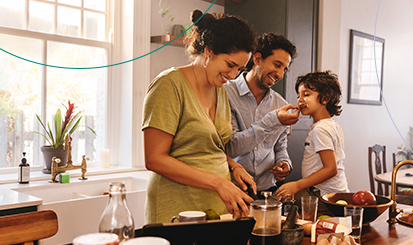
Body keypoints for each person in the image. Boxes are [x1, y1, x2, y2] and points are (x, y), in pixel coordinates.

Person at [142, 10, 257, 223]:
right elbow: (154, 159)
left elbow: (206, 147)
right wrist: (219, 183)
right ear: (209, 51)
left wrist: (233, 165)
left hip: (216, 209)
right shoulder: (169, 85)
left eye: (240, 69)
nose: (233, 76)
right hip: (176, 209)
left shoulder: (220, 90)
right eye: (230, 65)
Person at [224, 33, 300, 195]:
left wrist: (284, 163)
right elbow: (231, 147)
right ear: (257, 59)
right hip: (233, 190)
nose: (280, 75)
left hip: (268, 192)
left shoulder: (281, 105)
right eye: (277, 65)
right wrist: (272, 120)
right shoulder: (225, 94)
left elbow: (280, 147)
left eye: (284, 69)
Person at [276, 71, 349, 200]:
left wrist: (297, 185)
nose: (300, 100)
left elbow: (331, 169)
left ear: (325, 98)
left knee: (275, 201)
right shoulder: (331, 125)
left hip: (322, 194)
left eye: (306, 94)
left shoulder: (320, 129)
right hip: (332, 193)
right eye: (298, 95)